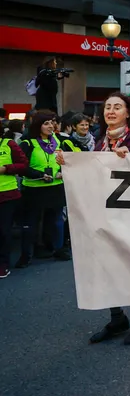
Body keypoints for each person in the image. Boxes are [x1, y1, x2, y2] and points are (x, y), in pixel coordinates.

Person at [74, 92, 130, 345]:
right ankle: (117, 318)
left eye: (117, 107)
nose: (110, 111)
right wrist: (69, 163)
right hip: (103, 215)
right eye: (107, 108)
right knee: (108, 266)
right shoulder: (100, 141)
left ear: (128, 113)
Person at [17, 111, 71, 267]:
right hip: (34, 188)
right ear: (37, 125)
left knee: (56, 221)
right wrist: (39, 174)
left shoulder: (58, 140)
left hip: (55, 187)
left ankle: (58, 249)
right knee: (31, 223)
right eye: (46, 123)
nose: (50, 126)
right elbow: (21, 167)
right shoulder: (27, 142)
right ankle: (26, 254)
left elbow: (67, 159)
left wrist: (63, 170)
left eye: (52, 123)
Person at [0, 135, 29, 279]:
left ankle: (3, 264)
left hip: (7, 195)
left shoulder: (8, 144)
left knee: (4, 231)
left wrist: (6, 168)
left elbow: (23, 164)